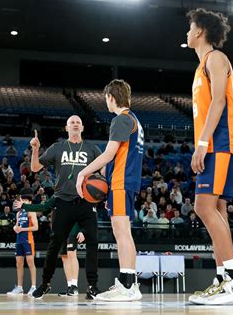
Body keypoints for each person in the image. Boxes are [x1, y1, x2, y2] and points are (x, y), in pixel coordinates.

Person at [185, 8, 233, 305]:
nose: (186, 33)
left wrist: (202, 143)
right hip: (217, 145)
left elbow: (217, 102)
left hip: (220, 144)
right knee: (218, 210)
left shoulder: (215, 58)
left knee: (203, 207)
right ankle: (223, 278)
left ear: (200, 30)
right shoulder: (202, 65)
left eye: (189, 28)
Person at [76, 79, 143, 302]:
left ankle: (127, 286)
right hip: (124, 182)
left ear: (111, 98)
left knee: (121, 232)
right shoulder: (134, 120)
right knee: (124, 232)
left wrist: (82, 173)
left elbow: (108, 155)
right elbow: (112, 159)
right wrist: (105, 184)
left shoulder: (121, 119)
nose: (106, 102)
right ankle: (129, 283)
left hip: (122, 182)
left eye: (106, 98)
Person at [28, 115, 102, 300]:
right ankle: (45, 284)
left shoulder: (92, 148)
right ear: (66, 128)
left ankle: (92, 287)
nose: (75, 124)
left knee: (92, 242)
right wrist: (35, 149)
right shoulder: (57, 147)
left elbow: (104, 171)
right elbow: (35, 168)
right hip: (62, 200)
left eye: (78, 122)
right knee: (55, 245)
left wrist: (104, 193)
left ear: (82, 128)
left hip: (86, 201)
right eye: (72, 123)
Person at [15, 196, 84, 297]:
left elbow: (82, 214)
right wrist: (25, 206)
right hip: (62, 231)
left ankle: (74, 286)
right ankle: (70, 287)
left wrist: (82, 230)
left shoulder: (73, 196)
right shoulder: (56, 197)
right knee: (64, 257)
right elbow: (42, 206)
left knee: (71, 254)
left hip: (73, 230)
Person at [7, 195, 38, 296]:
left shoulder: (31, 211)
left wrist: (22, 229)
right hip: (19, 240)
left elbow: (36, 227)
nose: (23, 202)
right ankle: (19, 288)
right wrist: (15, 227)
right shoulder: (19, 213)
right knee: (19, 263)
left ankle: (33, 287)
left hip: (28, 240)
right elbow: (17, 226)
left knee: (30, 262)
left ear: (29, 202)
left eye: (25, 200)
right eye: (22, 200)